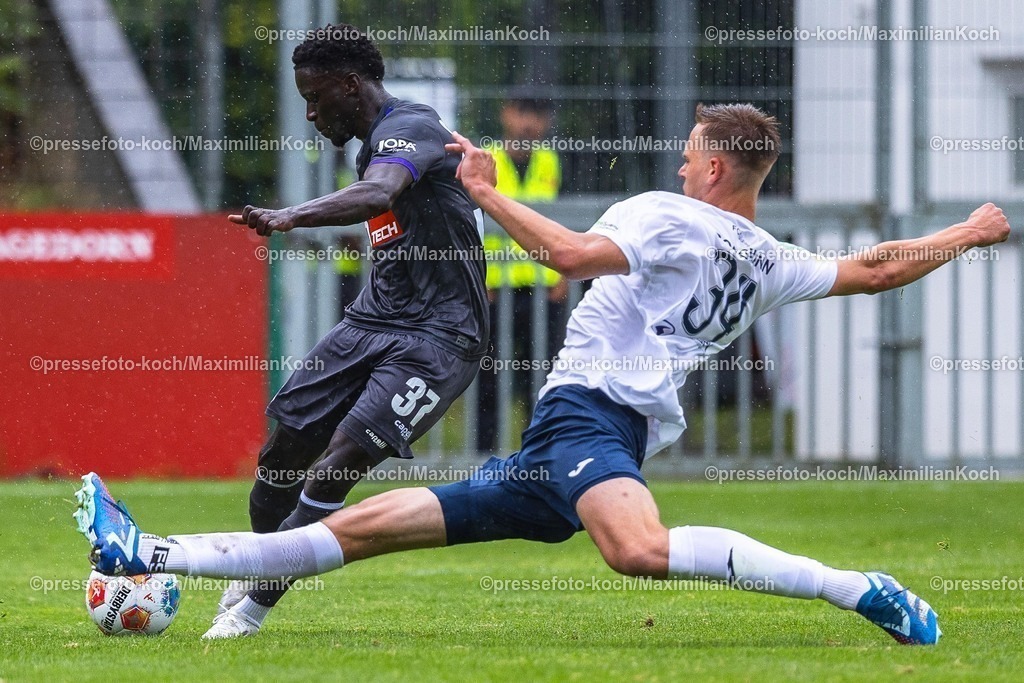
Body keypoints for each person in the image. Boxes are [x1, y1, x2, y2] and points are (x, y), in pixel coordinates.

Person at [76, 103, 1010, 646]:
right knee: (355, 529)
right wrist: (966, 234)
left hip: (588, 423)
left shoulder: (664, 213)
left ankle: (855, 587)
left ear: (715, 163)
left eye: (691, 152)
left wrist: (486, 193)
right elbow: (878, 267)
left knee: (636, 549)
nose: (681, 163)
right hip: (565, 443)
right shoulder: (765, 255)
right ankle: (150, 552)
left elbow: (567, 256)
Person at [215, 24, 489, 638]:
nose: (310, 113)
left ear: (350, 84)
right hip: (372, 320)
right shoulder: (370, 143)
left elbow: (378, 193)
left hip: (438, 337)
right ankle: (262, 567)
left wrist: (290, 216)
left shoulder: (412, 127)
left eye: (316, 98)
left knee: (337, 463)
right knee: (280, 460)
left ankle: (251, 611)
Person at [478, 98, 566, 453]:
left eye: (537, 114)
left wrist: (563, 274)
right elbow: (472, 222)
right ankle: (482, 456)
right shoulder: (485, 159)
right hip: (495, 290)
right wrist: (478, 278)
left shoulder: (552, 160)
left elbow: (566, 221)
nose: (528, 122)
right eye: (521, 112)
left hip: (542, 290)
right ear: (505, 114)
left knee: (541, 379)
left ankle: (537, 456)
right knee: (488, 379)